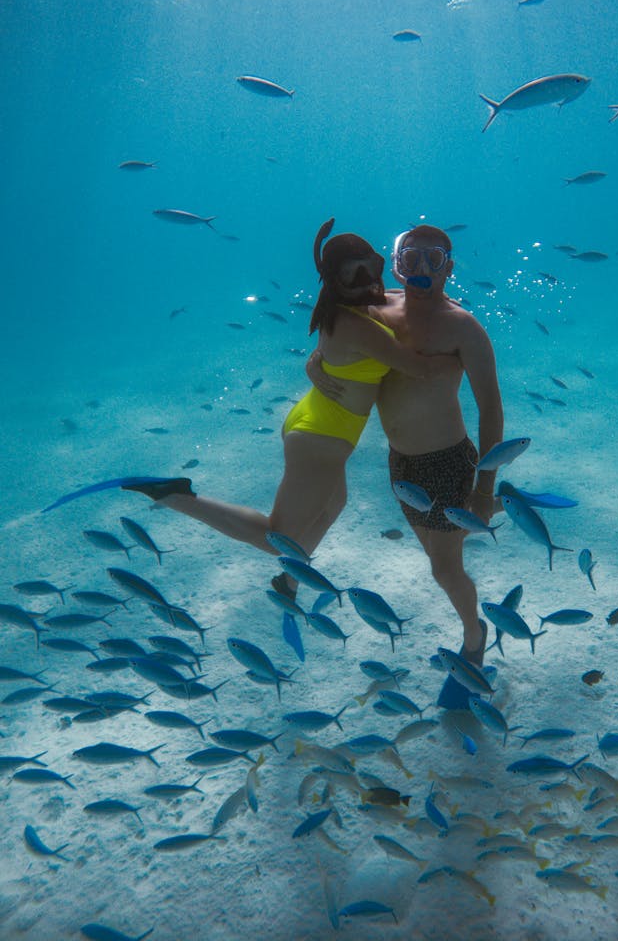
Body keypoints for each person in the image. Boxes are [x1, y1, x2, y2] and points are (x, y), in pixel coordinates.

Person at [123, 219, 458, 597]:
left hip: (317, 420)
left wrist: (438, 302)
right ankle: (176, 496)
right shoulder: (356, 324)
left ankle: (290, 578)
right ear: (336, 282)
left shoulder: (350, 309)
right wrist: (464, 348)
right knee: (276, 536)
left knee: (335, 503)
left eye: (372, 268)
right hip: (322, 438)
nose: (368, 280)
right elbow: (420, 368)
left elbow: (391, 307)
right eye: (355, 275)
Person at [309, 224, 503, 665]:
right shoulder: (378, 307)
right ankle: (474, 624)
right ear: (393, 265)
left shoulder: (463, 328)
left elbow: (491, 408)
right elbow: (336, 336)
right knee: (439, 560)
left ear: (448, 269)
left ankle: (475, 639)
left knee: (444, 568)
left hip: (448, 463)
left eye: (431, 260)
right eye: (408, 258)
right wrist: (313, 363)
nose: (419, 270)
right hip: (401, 467)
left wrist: (485, 489)